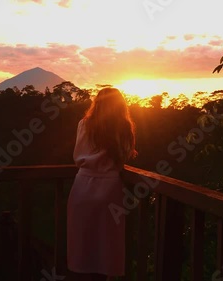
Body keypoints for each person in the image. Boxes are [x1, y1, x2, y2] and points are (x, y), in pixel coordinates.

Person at [67, 87, 137, 281]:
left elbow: (78, 154)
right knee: (105, 244)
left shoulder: (84, 124)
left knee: (82, 243)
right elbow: (124, 156)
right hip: (109, 188)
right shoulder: (123, 126)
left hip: (82, 187)